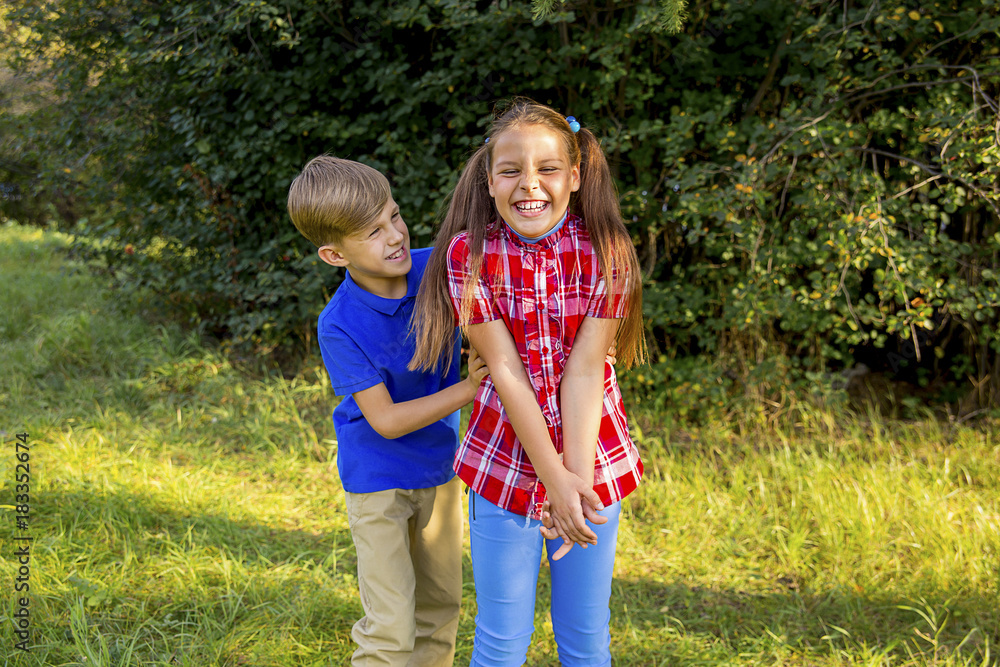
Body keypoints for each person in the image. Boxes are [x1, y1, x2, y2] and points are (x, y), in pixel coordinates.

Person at [409, 98, 646, 667]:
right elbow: (506, 371)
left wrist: (573, 487)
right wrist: (553, 481)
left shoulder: (608, 252)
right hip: (504, 467)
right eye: (511, 170)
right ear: (490, 181)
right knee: (501, 641)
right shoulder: (470, 254)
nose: (529, 185)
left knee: (586, 638)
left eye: (548, 168)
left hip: (593, 466)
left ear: (575, 176)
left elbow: (586, 370)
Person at [286, 155, 488, 667]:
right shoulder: (338, 324)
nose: (395, 235)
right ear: (335, 255)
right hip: (377, 482)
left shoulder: (438, 268)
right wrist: (470, 388)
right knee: (392, 625)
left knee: (440, 609)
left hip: (440, 470)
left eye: (394, 216)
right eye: (373, 232)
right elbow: (387, 421)